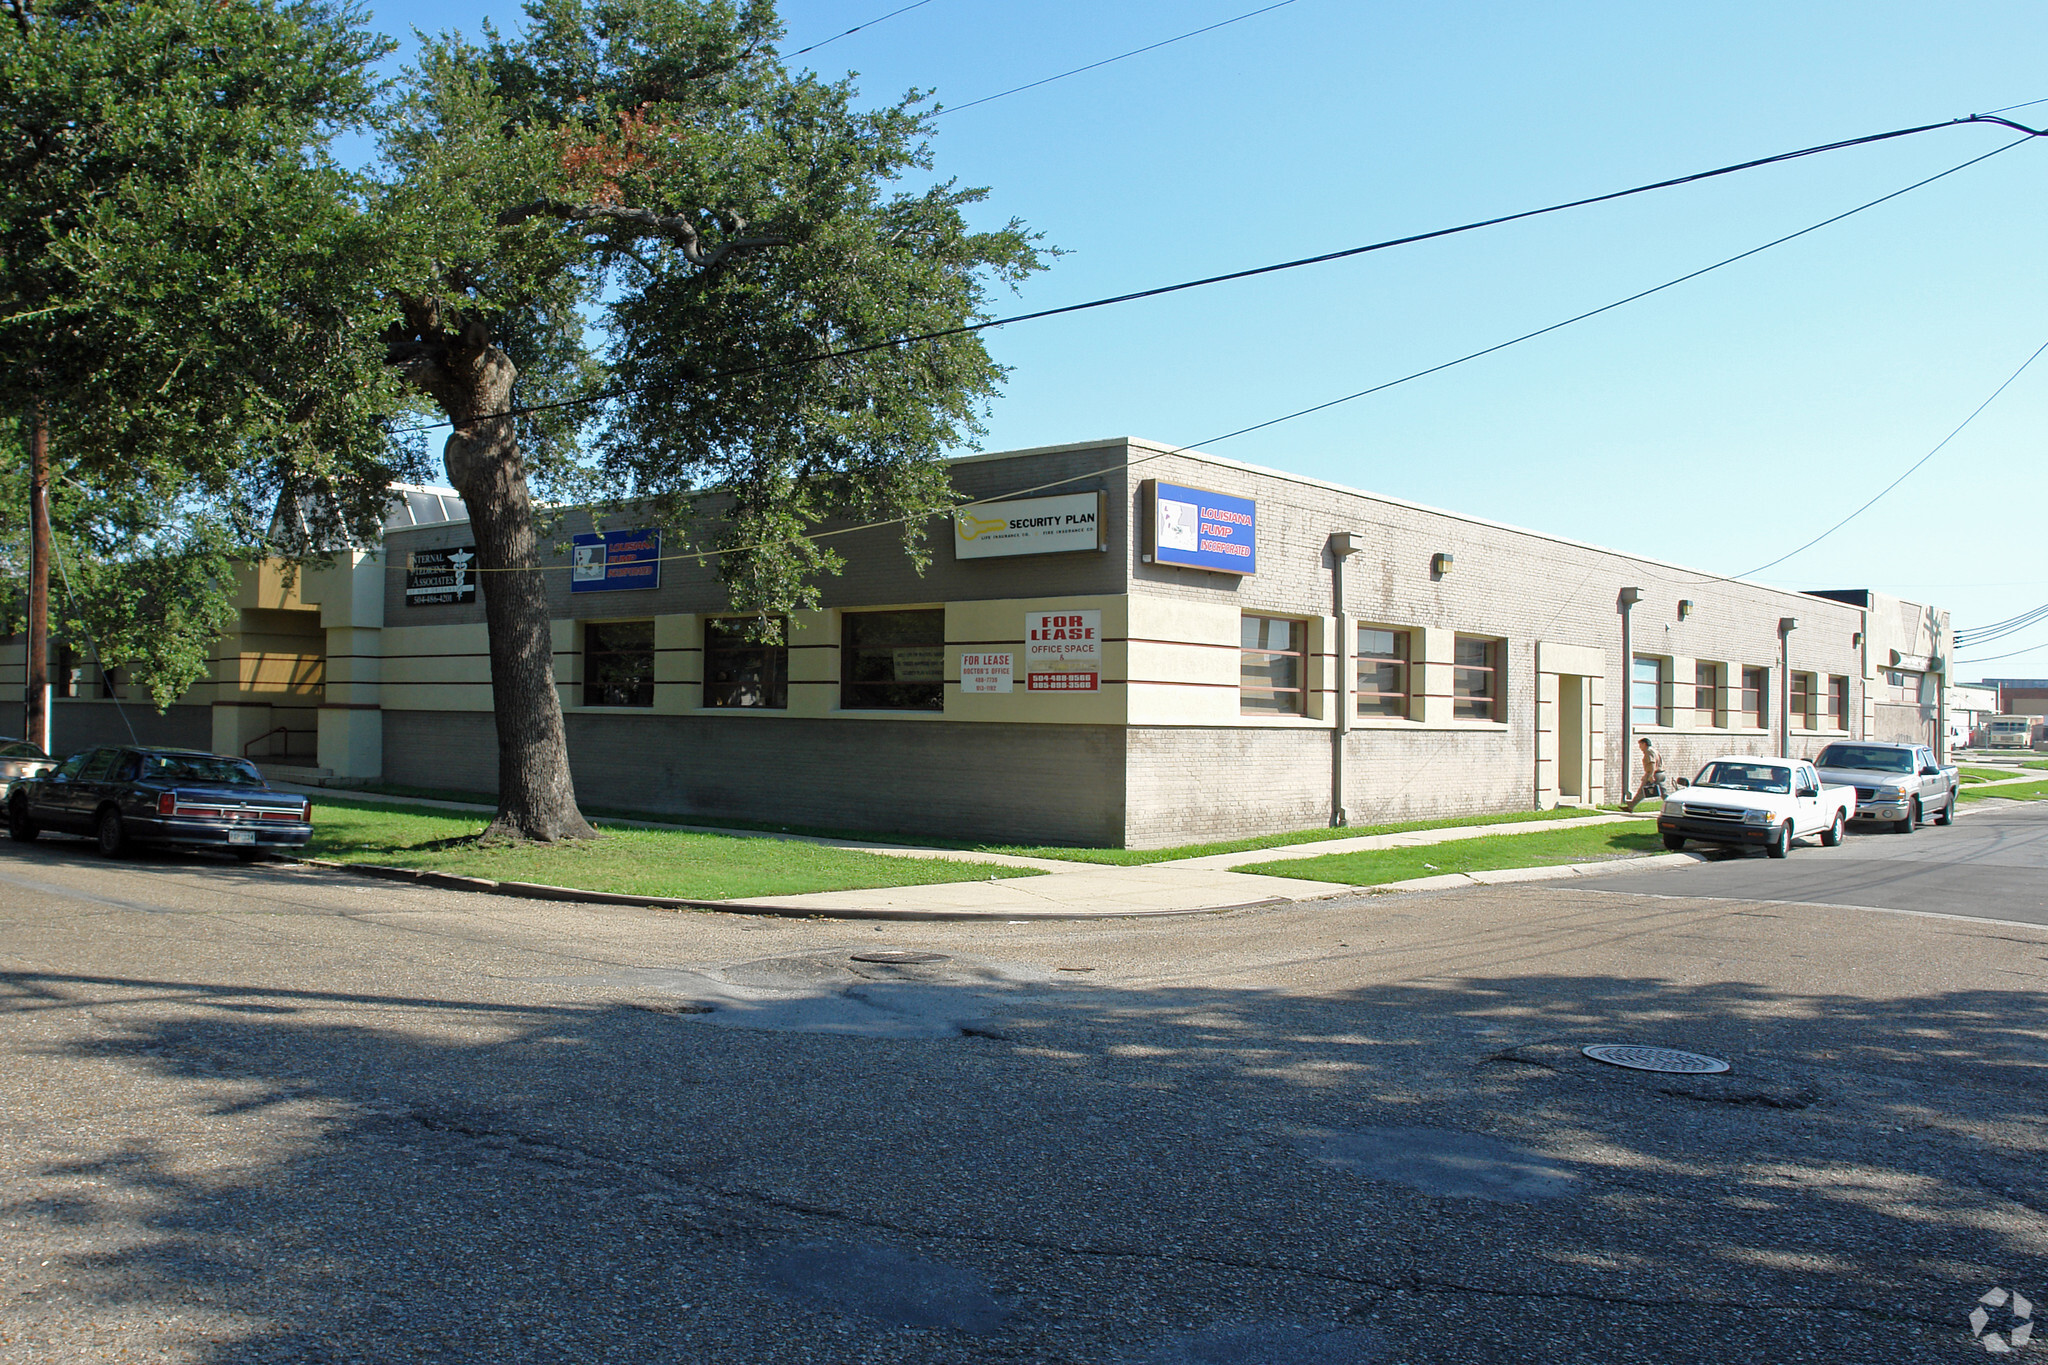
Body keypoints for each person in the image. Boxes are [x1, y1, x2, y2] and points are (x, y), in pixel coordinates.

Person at [1621, 737, 1664, 813]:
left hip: (1654, 774)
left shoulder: (1649, 751)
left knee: (1660, 793)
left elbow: (1652, 764)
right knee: (1645, 791)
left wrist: (1650, 775)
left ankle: (1674, 806)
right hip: (1659, 773)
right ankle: (1630, 806)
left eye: (1640, 744)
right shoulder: (1654, 750)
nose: (1639, 747)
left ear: (1644, 744)